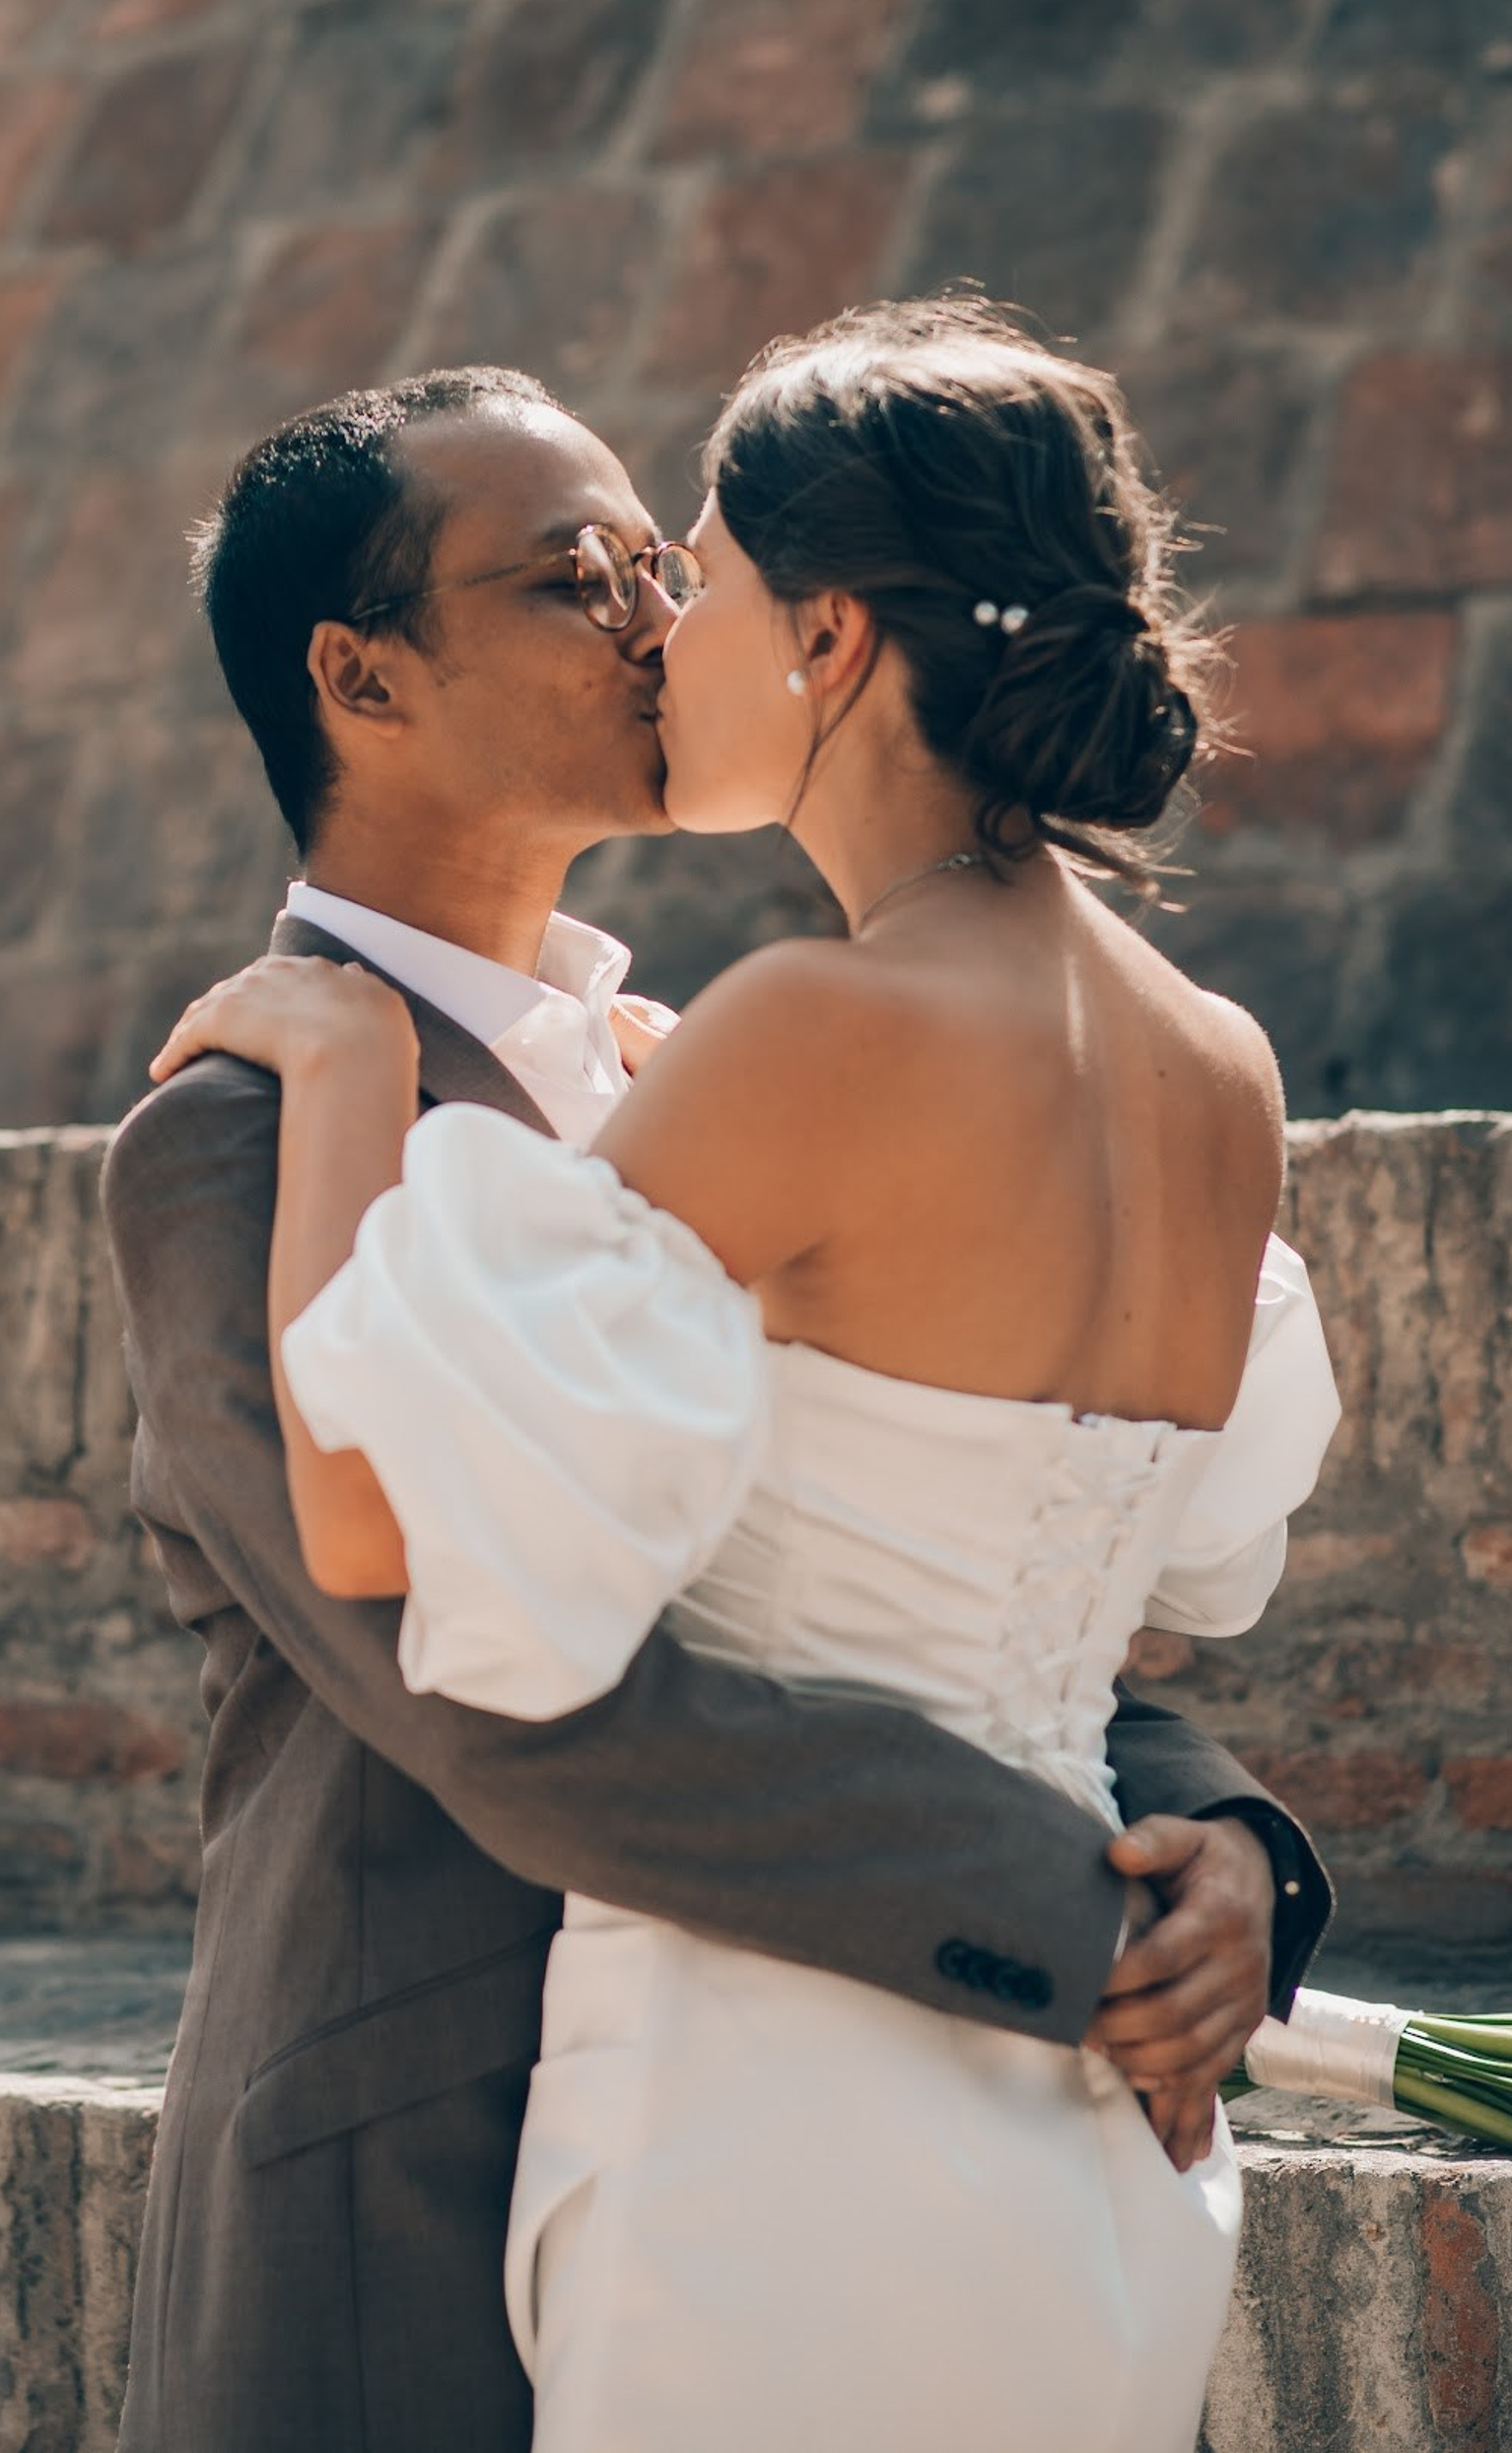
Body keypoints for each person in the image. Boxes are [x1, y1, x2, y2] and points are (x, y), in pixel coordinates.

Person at [103, 334, 1333, 2453]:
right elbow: (485, 1690)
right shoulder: (229, 1133)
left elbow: (922, 1519)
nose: (659, 612)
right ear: (360, 676)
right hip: (416, 2177)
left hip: (781, 2116)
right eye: (579, 571)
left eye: (668, 564)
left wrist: (1204, 1831)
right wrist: (1080, 1909)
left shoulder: (713, 1064)